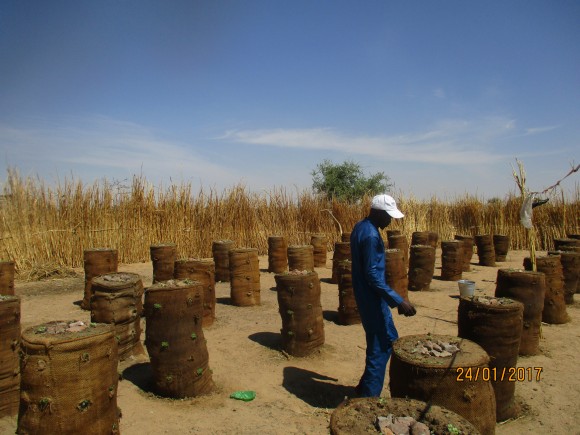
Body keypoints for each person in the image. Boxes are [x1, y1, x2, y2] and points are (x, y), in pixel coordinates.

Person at [350, 193, 416, 397]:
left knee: (384, 341)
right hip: (372, 297)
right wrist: (398, 301)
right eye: (388, 216)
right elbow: (372, 275)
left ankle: (364, 390)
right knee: (381, 345)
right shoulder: (370, 235)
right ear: (376, 212)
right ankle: (368, 399)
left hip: (367, 294)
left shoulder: (361, 227)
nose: (390, 220)